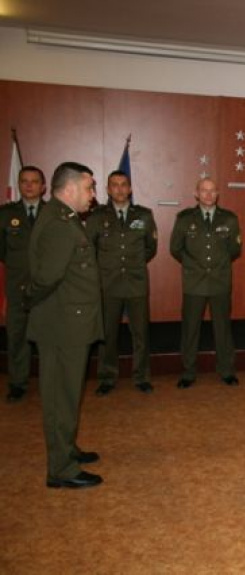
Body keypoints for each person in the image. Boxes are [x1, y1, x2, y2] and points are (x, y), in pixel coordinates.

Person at [27, 161, 103, 488]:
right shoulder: (59, 224)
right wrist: (33, 304)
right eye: (89, 187)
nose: (93, 194)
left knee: (68, 394)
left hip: (70, 322)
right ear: (70, 189)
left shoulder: (65, 217)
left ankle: (66, 449)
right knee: (61, 397)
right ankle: (61, 469)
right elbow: (46, 278)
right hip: (62, 325)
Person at [87, 171, 158, 396]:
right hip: (108, 284)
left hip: (136, 282)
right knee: (108, 334)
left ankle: (141, 377)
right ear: (108, 190)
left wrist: (132, 264)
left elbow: (150, 248)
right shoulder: (97, 216)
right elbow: (90, 249)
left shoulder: (144, 215)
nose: (119, 189)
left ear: (130, 189)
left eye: (123, 184)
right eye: (114, 185)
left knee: (140, 333)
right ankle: (107, 377)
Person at [170, 178, 241, 388]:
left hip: (220, 281)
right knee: (190, 329)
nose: (208, 195)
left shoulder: (229, 219)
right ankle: (188, 372)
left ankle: (226, 370)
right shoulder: (184, 218)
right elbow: (175, 248)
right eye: (204, 190)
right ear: (196, 194)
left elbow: (234, 249)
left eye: (212, 191)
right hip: (194, 282)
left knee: (223, 328)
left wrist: (217, 265)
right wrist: (193, 266)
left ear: (217, 194)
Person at [1, 166, 46, 402]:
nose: (29, 185)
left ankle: (51, 383)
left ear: (43, 187)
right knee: (17, 337)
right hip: (18, 287)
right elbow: (2, 251)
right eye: (24, 181)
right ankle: (18, 383)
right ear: (18, 185)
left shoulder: (53, 213)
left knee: (50, 338)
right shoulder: (5, 214)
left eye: (34, 181)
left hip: (48, 289)